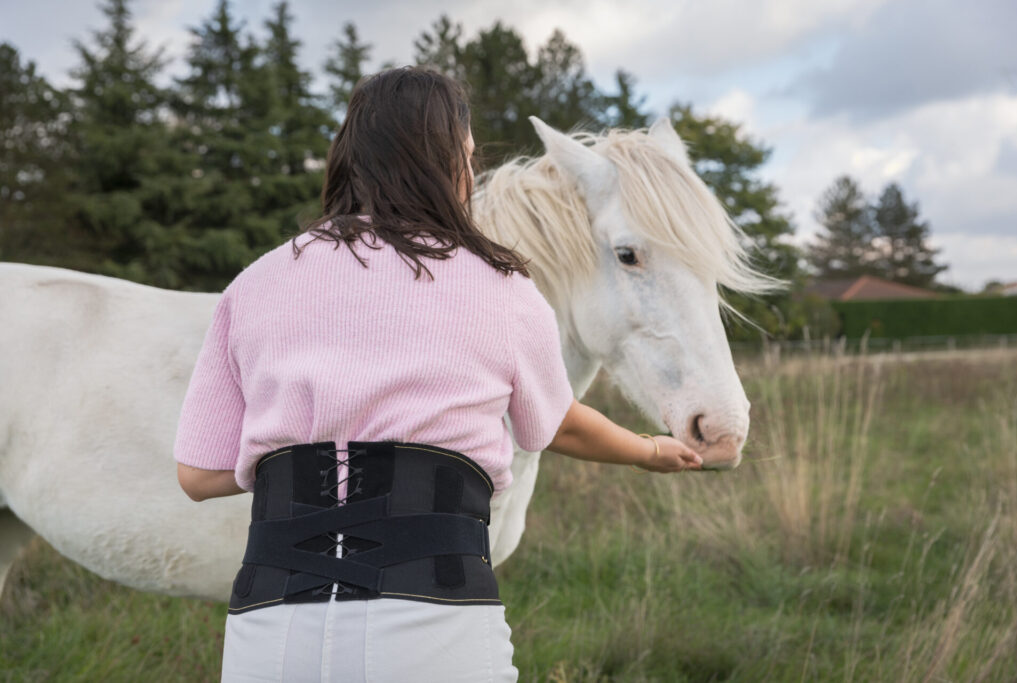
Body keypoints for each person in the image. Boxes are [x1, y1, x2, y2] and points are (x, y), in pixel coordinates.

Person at [173, 66, 701, 683]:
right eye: (468, 158)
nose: (471, 175)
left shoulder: (253, 285)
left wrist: (298, 462)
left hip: (269, 630)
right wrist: (649, 451)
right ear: (446, 165)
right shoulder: (502, 286)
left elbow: (197, 475)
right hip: (434, 619)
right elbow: (558, 426)